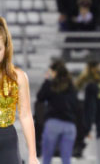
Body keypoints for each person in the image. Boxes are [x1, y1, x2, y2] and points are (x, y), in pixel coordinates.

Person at [0, 17, 39, 164]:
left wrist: (32, 155)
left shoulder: (18, 77)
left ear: (6, 48)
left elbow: (25, 115)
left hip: (7, 139)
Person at [37, 60, 78, 164]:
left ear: (54, 72)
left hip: (53, 123)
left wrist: (46, 80)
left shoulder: (50, 85)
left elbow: (40, 97)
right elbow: (76, 106)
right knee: (66, 159)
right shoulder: (71, 86)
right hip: (69, 125)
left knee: (47, 158)